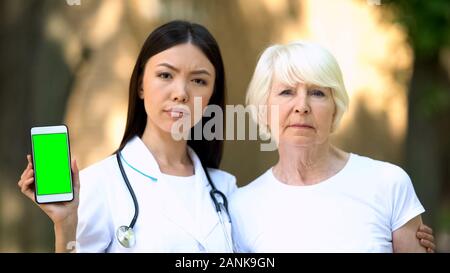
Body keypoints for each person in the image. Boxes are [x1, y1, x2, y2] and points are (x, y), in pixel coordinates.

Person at [17, 20, 236, 252]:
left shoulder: (226, 190)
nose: (181, 93)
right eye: (165, 75)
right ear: (141, 84)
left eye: (199, 81)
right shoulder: (100, 184)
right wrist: (66, 223)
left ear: (212, 95)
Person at [230, 40, 436, 252]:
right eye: (287, 92)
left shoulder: (388, 183)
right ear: (264, 108)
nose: (302, 106)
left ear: (335, 109)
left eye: (317, 93)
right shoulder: (241, 207)